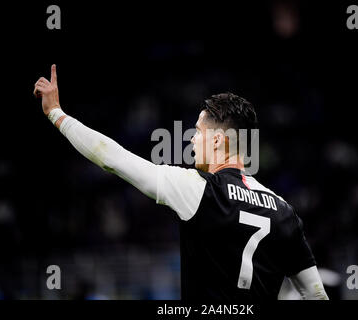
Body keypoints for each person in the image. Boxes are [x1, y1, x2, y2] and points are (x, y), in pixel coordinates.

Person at [34, 64, 329, 301]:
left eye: (198, 131)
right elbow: (315, 294)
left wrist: (57, 115)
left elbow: (113, 158)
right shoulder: (284, 210)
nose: (191, 138)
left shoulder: (198, 189)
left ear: (217, 140)